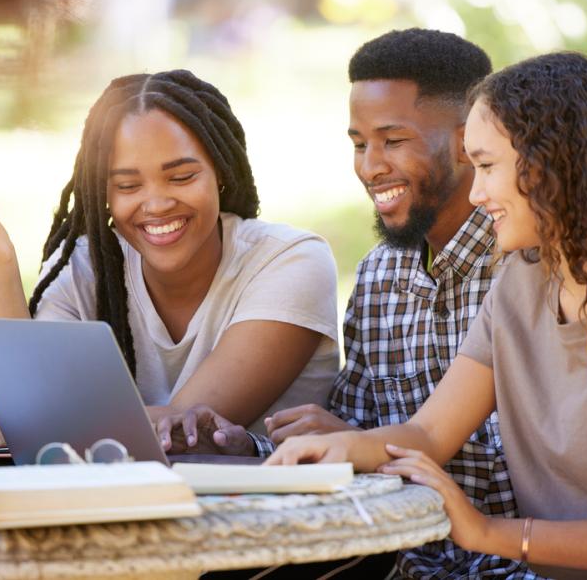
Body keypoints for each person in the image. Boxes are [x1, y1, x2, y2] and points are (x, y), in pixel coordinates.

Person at [267, 52, 587, 580]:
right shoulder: (519, 283)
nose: (476, 193)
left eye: (488, 166)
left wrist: (488, 533)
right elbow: (429, 434)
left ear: (551, 165)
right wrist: (338, 449)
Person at [197, 29, 538, 579]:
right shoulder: (380, 274)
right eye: (359, 144)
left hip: (515, 561)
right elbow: (354, 432)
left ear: (465, 141)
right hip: (402, 557)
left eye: (393, 140)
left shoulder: (529, 267)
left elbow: (512, 467)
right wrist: (249, 446)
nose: (369, 166)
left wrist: (369, 448)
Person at [0, 69, 340, 456]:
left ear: (220, 172)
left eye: (181, 177)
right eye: (127, 186)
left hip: (271, 528)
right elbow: (29, 399)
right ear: (101, 194)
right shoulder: (86, 267)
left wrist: (12, 425)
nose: (157, 203)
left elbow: (186, 424)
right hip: (132, 521)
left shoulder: (290, 261)